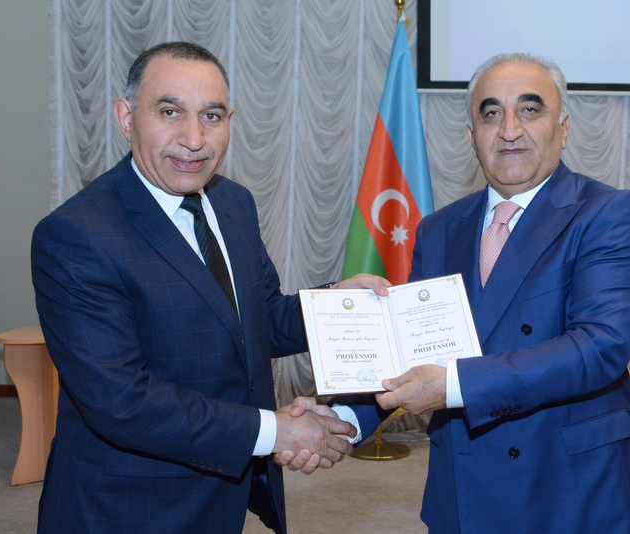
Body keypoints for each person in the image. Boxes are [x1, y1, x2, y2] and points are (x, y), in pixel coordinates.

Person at [284, 53, 630, 533]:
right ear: (471, 136)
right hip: (464, 486)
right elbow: (412, 352)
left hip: (572, 488)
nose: (509, 130)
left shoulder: (607, 213)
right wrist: (341, 418)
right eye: (491, 113)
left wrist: (453, 386)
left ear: (563, 129)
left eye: (530, 109)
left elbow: (599, 347)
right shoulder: (440, 229)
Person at [31, 41, 387, 534]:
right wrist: (277, 431)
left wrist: (339, 303)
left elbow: (259, 317)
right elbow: (121, 400)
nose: (195, 139)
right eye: (170, 112)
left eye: (212, 116)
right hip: (126, 506)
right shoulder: (76, 234)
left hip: (222, 489)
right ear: (126, 118)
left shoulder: (233, 202)